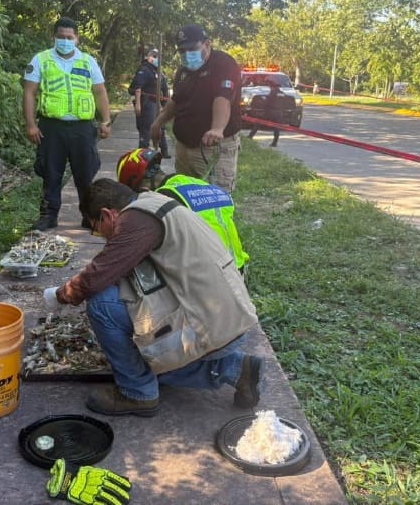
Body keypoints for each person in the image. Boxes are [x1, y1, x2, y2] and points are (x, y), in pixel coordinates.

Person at [51, 178, 263, 417]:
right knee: (137, 354)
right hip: (226, 318)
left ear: (107, 214)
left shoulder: (136, 220)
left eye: (96, 228)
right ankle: (236, 369)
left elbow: (96, 277)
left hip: (213, 327)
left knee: (102, 304)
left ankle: (138, 392)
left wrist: (62, 294)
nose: (100, 236)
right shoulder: (152, 203)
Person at [23, 17, 112, 231]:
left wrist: (106, 120)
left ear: (77, 38)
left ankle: (88, 216)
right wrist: (31, 124)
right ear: (53, 37)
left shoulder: (88, 61)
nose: (65, 41)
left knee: (85, 173)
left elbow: (99, 91)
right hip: (51, 127)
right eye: (61, 37)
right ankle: (48, 216)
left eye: (69, 37)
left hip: (83, 127)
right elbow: (29, 92)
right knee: (51, 173)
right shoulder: (41, 60)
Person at [116, 147, 249, 271]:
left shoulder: (164, 198)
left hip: (212, 275)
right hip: (238, 267)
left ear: (141, 186)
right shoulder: (195, 183)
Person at [149, 24, 243, 192]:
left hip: (212, 148)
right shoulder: (183, 71)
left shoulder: (223, 64)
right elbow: (176, 101)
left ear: (207, 43)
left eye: (192, 49)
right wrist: (158, 123)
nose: (187, 55)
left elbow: (223, 98)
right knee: (184, 199)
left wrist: (217, 128)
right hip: (184, 148)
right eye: (182, 51)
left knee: (213, 202)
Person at [129, 48, 170, 157]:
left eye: (158, 57)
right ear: (149, 57)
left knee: (160, 127)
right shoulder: (144, 69)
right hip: (146, 103)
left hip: (157, 104)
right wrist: (138, 105)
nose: (156, 59)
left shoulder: (158, 71)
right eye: (154, 56)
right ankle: (142, 154)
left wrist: (166, 107)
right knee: (146, 129)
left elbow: (165, 89)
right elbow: (137, 87)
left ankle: (164, 151)